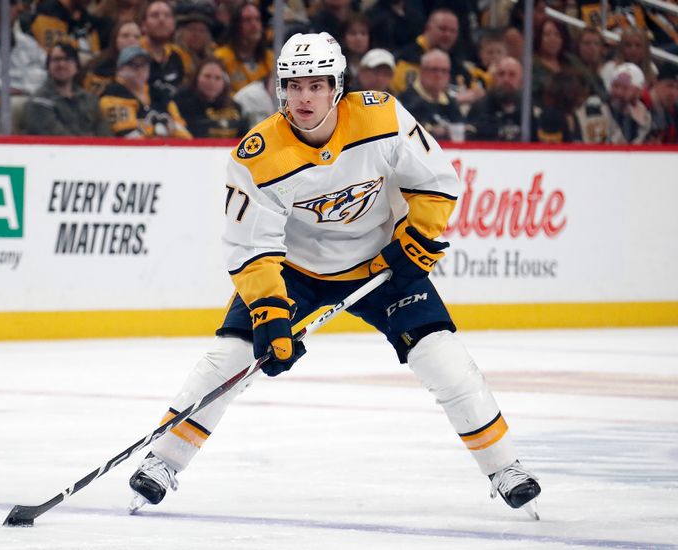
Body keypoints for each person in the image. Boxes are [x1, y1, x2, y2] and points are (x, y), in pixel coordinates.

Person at [126, 31, 542, 520]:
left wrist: (416, 238)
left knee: (443, 359)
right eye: (293, 85)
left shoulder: (381, 115)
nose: (303, 97)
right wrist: (270, 313)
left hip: (384, 267)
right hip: (296, 274)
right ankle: (164, 461)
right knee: (230, 358)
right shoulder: (256, 154)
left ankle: (503, 467)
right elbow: (250, 247)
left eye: (316, 85)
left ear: (336, 87)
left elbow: (435, 181)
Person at [99, 44, 190, 138]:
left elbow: (183, 133)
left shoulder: (160, 93)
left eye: (144, 65)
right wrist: (158, 130)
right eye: (133, 65)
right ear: (120, 70)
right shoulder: (112, 95)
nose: (140, 69)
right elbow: (127, 137)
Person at [21, 42, 110, 136]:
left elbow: (105, 135)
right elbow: (60, 139)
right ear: (48, 66)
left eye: (68, 59)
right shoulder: (39, 102)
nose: (62, 64)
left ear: (77, 66)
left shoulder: (90, 99)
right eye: (56, 60)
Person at [398, 49, 465, 142]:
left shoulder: (451, 103)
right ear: (422, 71)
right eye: (434, 70)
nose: (439, 75)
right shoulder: (405, 101)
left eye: (444, 71)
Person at [172, 57, 247, 138]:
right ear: (196, 77)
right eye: (207, 76)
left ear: (224, 82)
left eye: (217, 78)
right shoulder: (181, 103)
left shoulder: (234, 106)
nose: (212, 82)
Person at [466, 56, 531, 141]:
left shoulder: (527, 109)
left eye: (512, 75)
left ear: (522, 81)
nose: (506, 79)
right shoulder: (479, 107)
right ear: (494, 78)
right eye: (501, 74)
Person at [213, 1, 273, 93]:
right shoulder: (221, 57)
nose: (254, 25)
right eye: (247, 20)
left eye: (257, 19)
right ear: (236, 25)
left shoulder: (270, 58)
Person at [139, 0, 185, 104]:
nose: (161, 20)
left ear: (173, 24)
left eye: (167, 16)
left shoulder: (177, 56)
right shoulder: (134, 55)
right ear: (143, 25)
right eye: (155, 15)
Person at [607, 62, 652, 144]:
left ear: (638, 92)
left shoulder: (645, 116)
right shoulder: (601, 108)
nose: (618, 92)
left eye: (625, 88)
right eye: (615, 86)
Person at [645, 63, 678, 144]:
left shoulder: (673, 112)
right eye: (669, 86)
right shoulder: (638, 104)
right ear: (656, 83)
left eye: (677, 88)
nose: (673, 92)